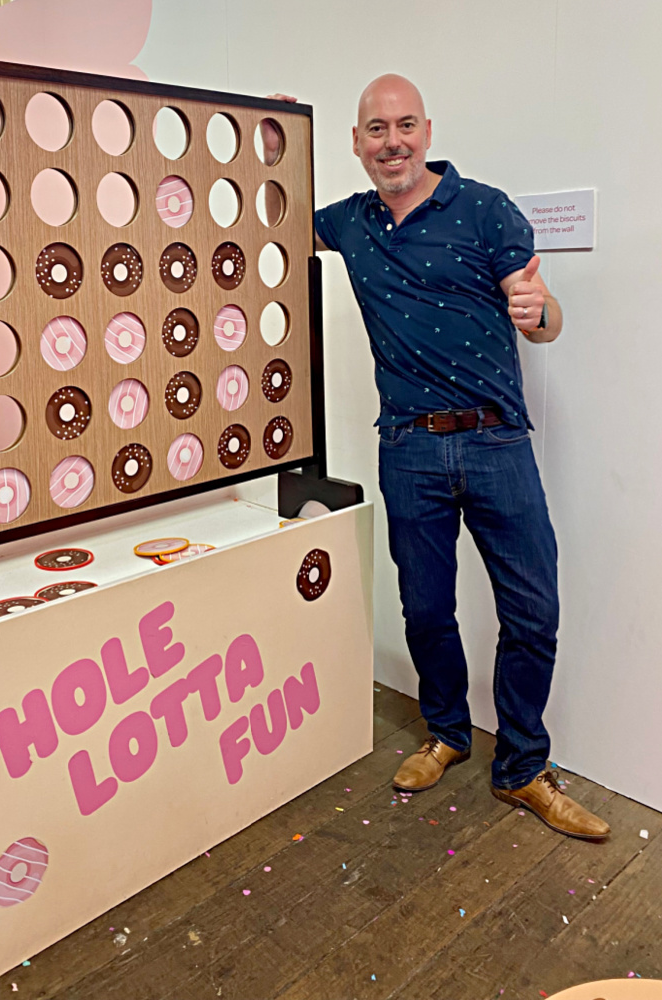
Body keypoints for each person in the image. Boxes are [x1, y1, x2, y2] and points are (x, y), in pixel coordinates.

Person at [264, 75, 609, 840]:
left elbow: (543, 315)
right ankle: (448, 732)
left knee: (533, 611)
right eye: (375, 130)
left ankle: (521, 767)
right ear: (355, 143)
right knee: (425, 608)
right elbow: (270, 222)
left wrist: (540, 312)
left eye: (404, 125)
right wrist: (268, 140)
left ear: (426, 130)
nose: (391, 141)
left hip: (495, 441)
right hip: (409, 447)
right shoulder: (347, 224)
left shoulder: (484, 207)